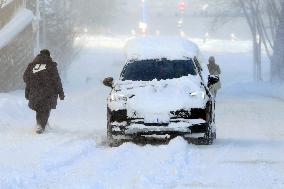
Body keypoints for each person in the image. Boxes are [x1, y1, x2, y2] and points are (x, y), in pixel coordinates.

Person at [23, 49, 65, 134]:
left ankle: (42, 124)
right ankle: (41, 126)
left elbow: (26, 78)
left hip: (35, 92)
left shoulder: (33, 66)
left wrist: (29, 90)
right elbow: (56, 80)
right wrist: (61, 93)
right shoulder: (50, 66)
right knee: (46, 109)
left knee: (39, 109)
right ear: (48, 56)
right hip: (48, 92)